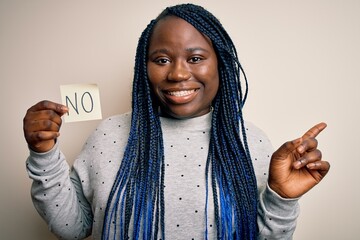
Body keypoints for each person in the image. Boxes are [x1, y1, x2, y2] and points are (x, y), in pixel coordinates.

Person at [23, 3, 330, 240]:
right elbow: (72, 229)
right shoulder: (108, 135)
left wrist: (281, 198)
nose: (178, 74)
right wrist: (44, 154)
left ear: (220, 65)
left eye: (195, 58)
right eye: (162, 59)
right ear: (144, 68)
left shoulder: (250, 142)